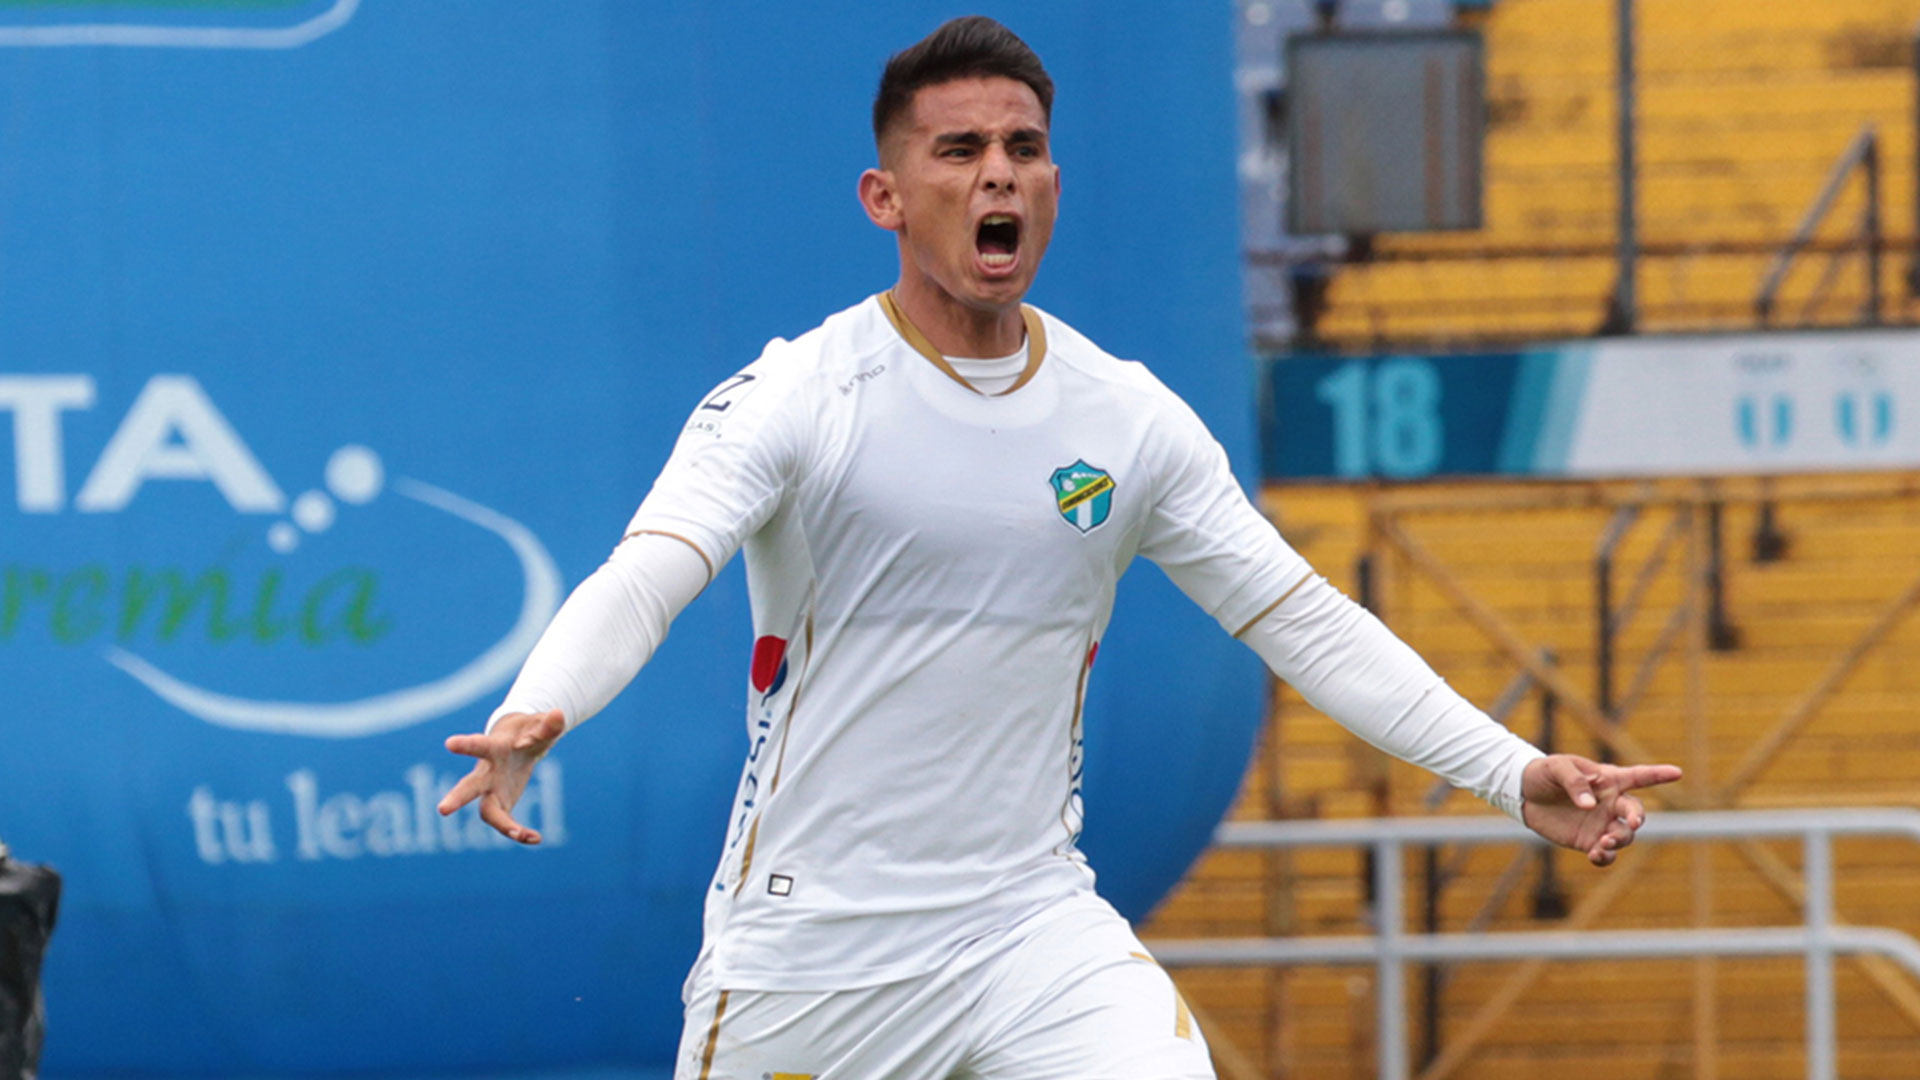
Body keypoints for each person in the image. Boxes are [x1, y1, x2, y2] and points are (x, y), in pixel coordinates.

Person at [436, 16, 1683, 1080]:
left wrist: (1508, 771)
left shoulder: (1126, 418)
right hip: (813, 951)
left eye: (1023, 149)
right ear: (885, 198)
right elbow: (650, 572)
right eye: (960, 151)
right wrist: (543, 704)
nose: (999, 174)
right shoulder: (794, 396)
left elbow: (1304, 622)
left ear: (1052, 183)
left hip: (1027, 926)